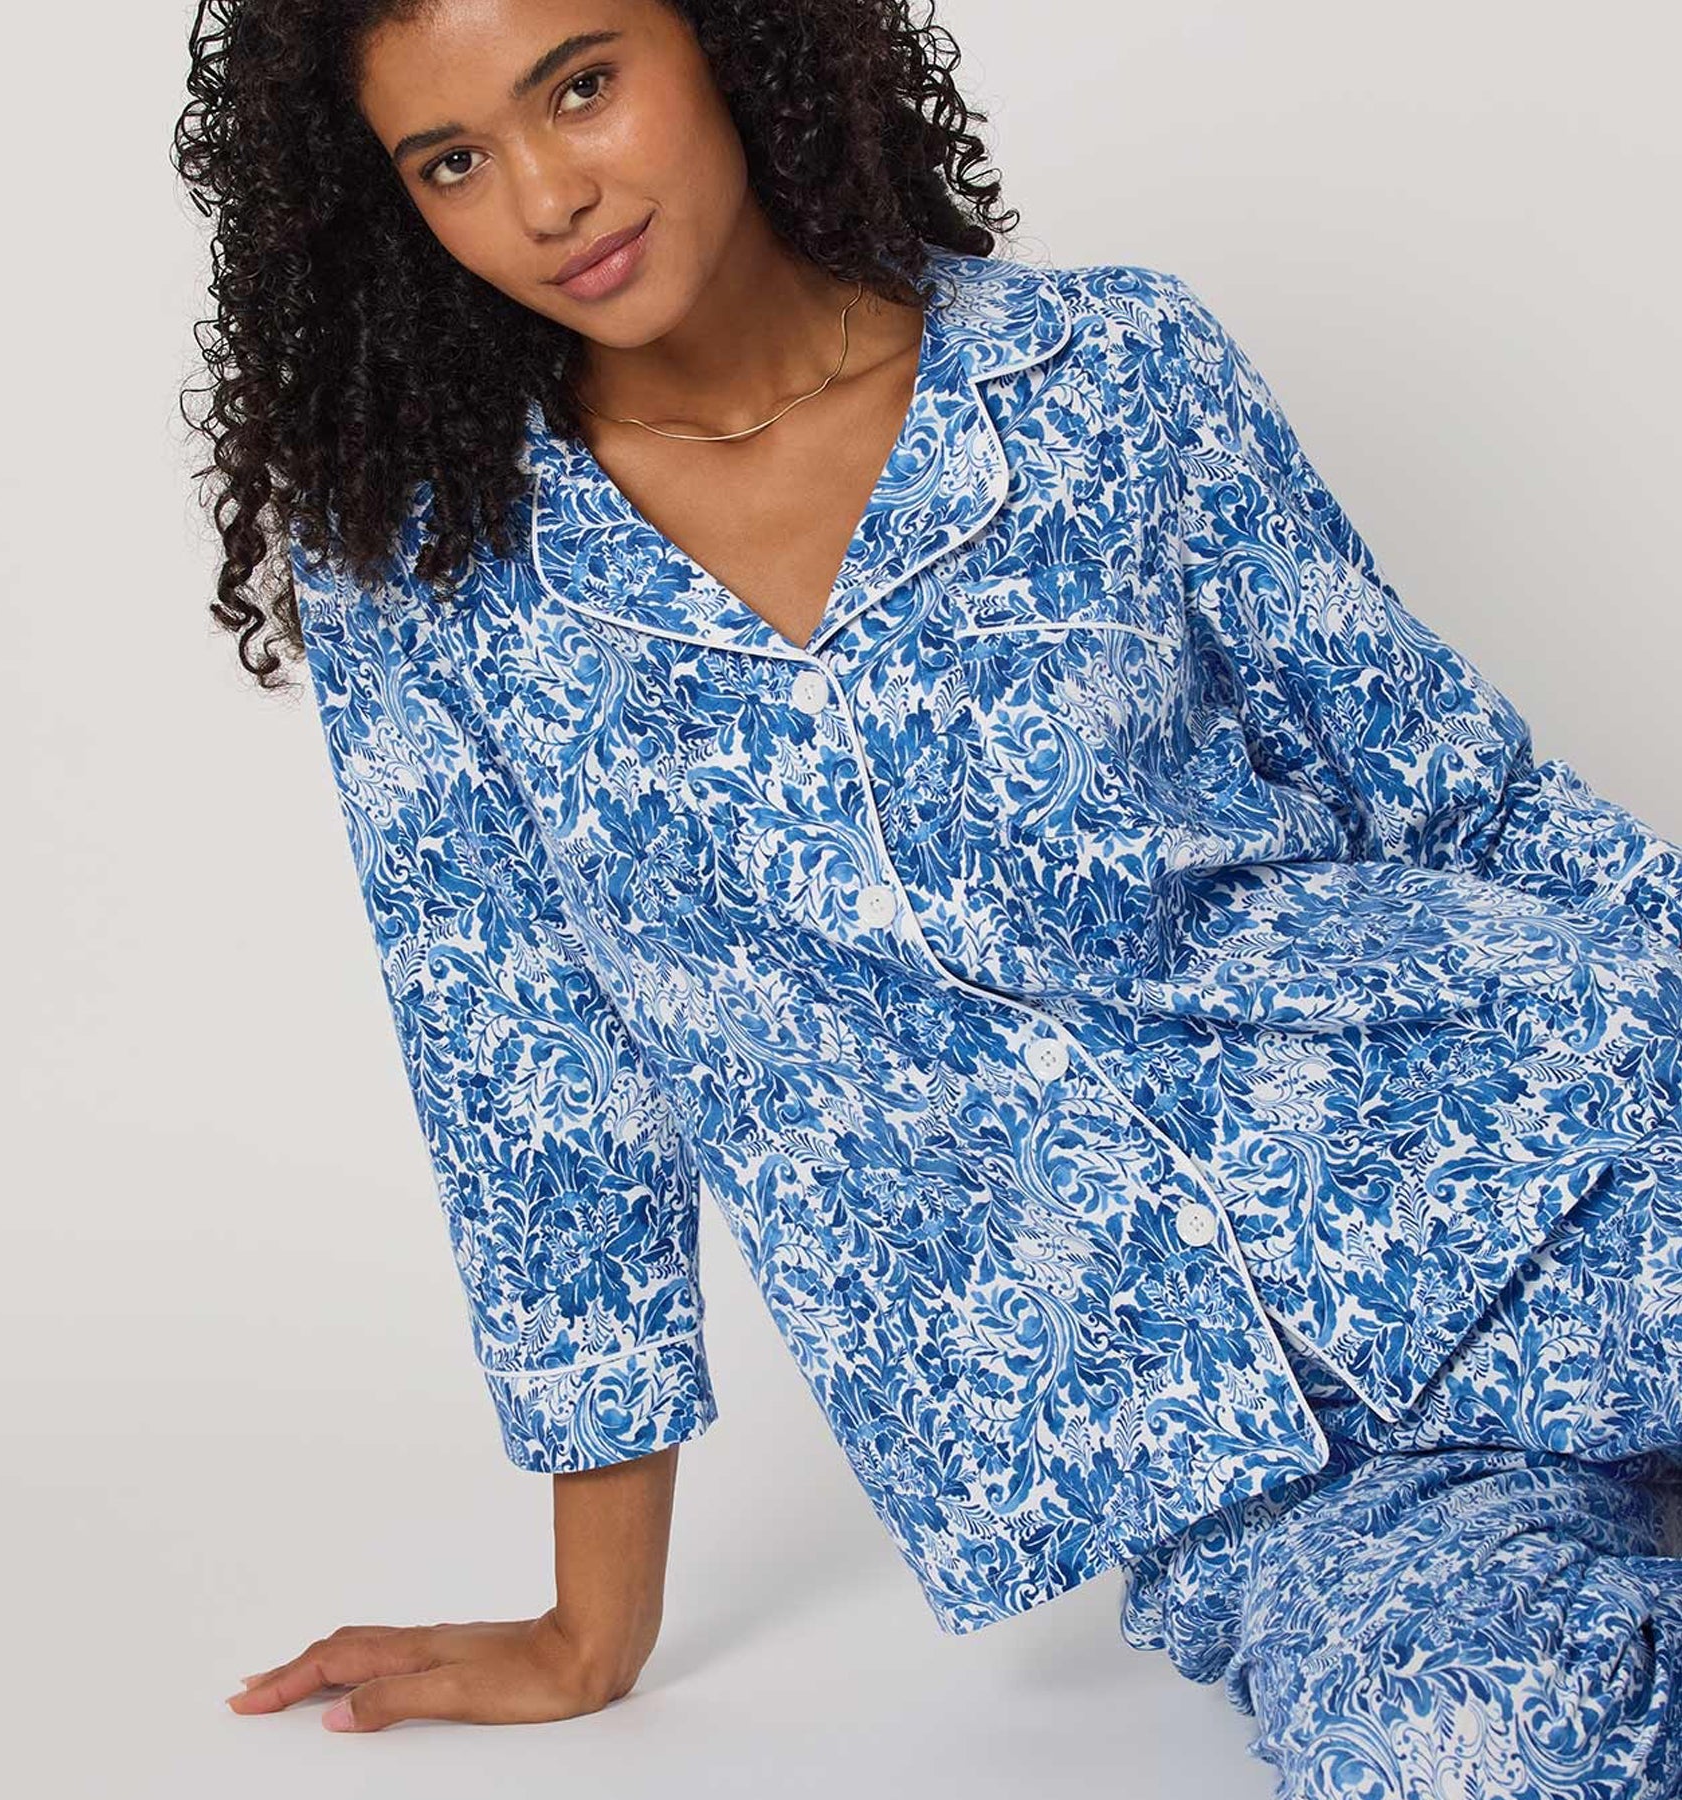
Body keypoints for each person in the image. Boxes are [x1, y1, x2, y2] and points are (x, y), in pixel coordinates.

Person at [174, 0, 1682, 1786]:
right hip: (1258, 1466)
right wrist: (595, 1629)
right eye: (453, 161)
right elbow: (532, 1096)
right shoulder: (429, 586)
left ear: (731, 41)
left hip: (1569, 1160)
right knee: (1468, 1749)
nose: (549, 195)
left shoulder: (1114, 371)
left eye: (580, 86)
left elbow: (1460, 793)